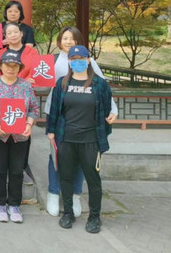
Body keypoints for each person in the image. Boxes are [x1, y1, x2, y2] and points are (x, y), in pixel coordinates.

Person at [44, 27, 118, 217]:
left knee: (81, 162)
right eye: (65, 38)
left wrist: (113, 110)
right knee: (56, 158)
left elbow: (104, 89)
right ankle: (54, 193)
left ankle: (76, 195)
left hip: (85, 121)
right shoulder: (52, 60)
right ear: (59, 41)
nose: (68, 41)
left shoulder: (89, 61)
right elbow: (40, 82)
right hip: (58, 115)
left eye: (72, 38)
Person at [0, 50, 39, 223]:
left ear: (20, 68)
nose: (11, 69)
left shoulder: (25, 86)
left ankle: (14, 204)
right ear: (1, 66)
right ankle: (0, 203)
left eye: (15, 66)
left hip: (20, 136)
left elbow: (34, 108)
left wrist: (29, 124)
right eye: (7, 65)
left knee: (16, 170)